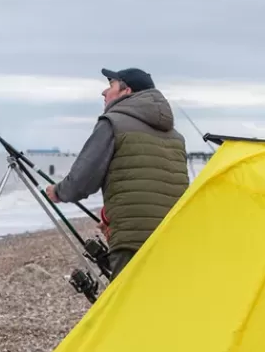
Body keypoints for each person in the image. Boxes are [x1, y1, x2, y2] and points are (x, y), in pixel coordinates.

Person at [46, 67, 189, 278]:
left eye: (111, 85)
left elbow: (83, 180)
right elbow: (152, 185)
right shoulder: (176, 137)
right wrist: (108, 216)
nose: (104, 92)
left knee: (130, 307)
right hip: (175, 238)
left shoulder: (112, 123)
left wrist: (58, 192)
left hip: (131, 242)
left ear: (126, 91)